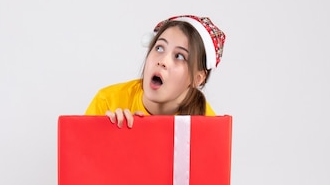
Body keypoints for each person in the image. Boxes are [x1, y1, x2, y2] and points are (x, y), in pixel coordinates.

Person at [85, 15, 226, 128]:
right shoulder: (107, 103)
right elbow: (78, 161)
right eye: (159, 48)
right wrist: (106, 136)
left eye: (179, 56)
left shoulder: (208, 125)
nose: (162, 61)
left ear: (197, 78)